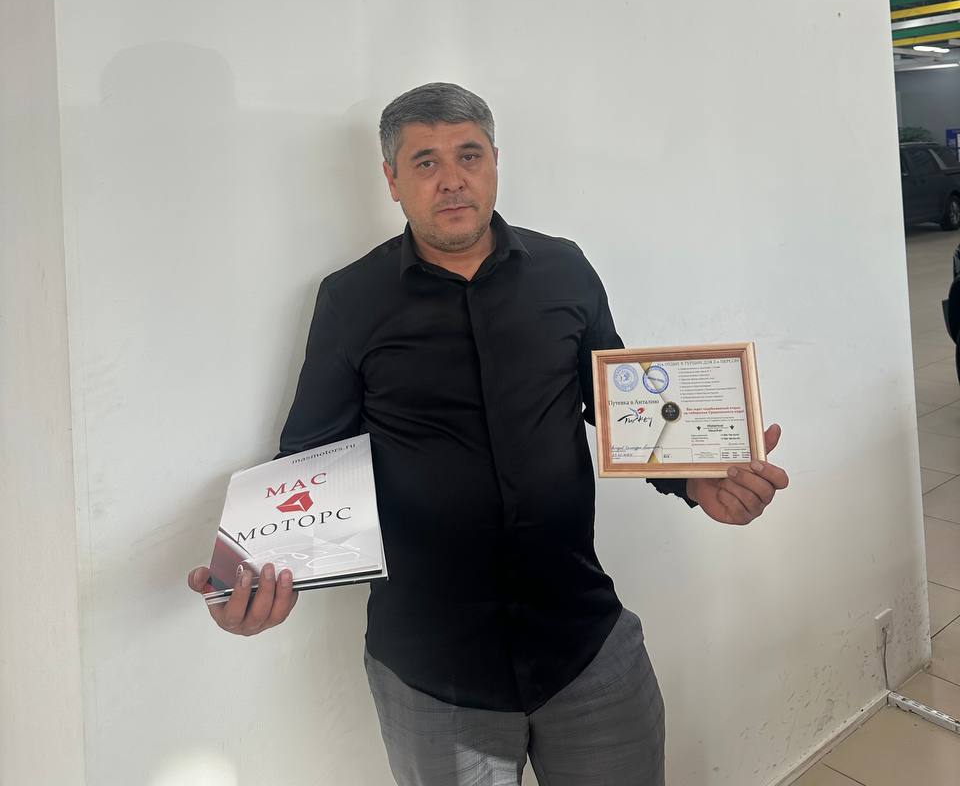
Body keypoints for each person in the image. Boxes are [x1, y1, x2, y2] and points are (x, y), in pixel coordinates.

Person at [188, 82, 789, 786]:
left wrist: (694, 477)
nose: (452, 179)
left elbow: (619, 409)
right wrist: (256, 577)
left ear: (495, 162)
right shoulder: (350, 299)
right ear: (392, 180)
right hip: (432, 673)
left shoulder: (565, 269)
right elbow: (311, 458)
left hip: (584, 644)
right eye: (425, 162)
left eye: (468, 155)